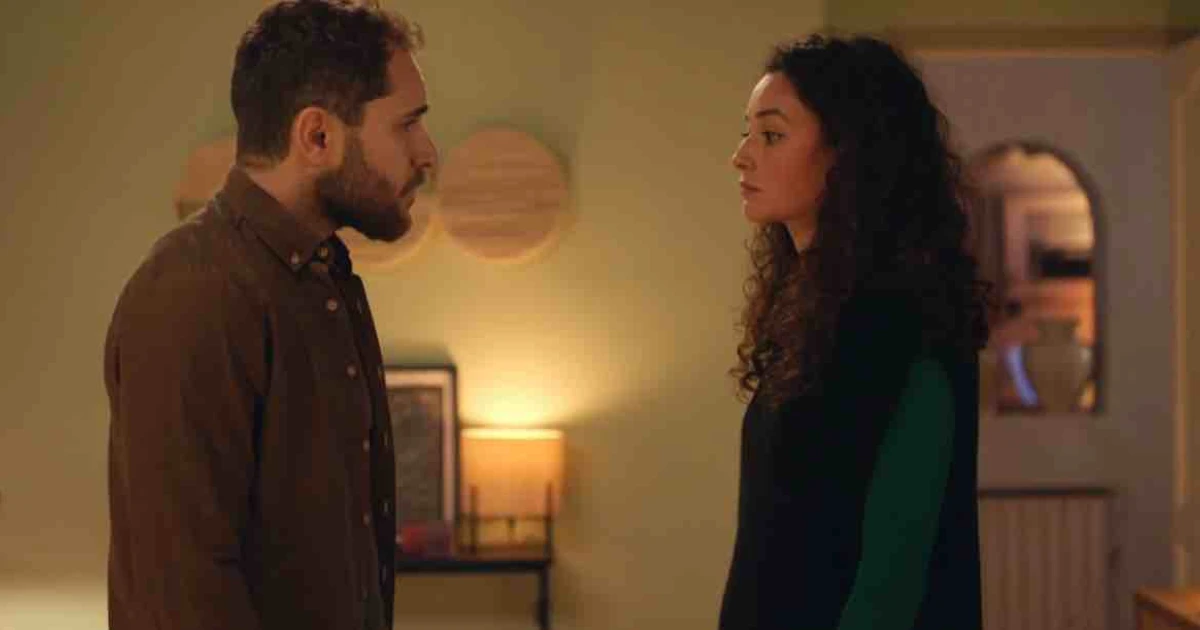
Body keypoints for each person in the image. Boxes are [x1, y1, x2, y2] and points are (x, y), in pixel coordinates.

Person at [104, 1, 436, 628]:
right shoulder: (192, 291)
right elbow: (183, 595)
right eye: (407, 125)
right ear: (317, 137)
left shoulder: (323, 280)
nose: (427, 154)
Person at [720, 34, 990, 629]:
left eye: (771, 135)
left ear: (848, 153)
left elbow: (893, 577)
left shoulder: (903, 320)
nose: (741, 156)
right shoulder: (809, 310)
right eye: (746, 133)